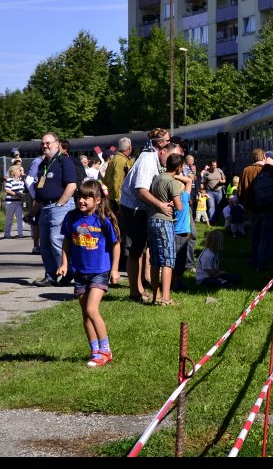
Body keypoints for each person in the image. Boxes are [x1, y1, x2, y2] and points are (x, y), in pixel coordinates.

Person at [56, 179, 121, 368]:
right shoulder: (71, 217)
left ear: (98, 200)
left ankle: (106, 351)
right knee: (86, 313)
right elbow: (67, 241)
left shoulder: (104, 219)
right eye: (80, 197)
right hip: (79, 271)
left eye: (87, 198)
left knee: (92, 309)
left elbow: (115, 244)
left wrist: (115, 269)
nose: (81, 201)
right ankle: (95, 351)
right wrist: (64, 263)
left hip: (100, 271)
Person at [118, 129, 173, 303]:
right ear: (160, 145)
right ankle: (135, 291)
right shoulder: (148, 160)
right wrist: (160, 205)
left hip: (139, 208)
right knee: (135, 250)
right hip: (133, 209)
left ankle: (140, 286)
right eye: (167, 141)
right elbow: (141, 190)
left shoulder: (152, 157)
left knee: (141, 249)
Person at [32, 133, 78, 286]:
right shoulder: (43, 165)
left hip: (60, 208)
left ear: (57, 144)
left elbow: (72, 185)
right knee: (45, 244)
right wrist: (32, 212)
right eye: (43, 143)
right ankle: (50, 276)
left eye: (48, 143)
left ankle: (68, 270)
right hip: (45, 208)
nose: (45, 145)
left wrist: (60, 204)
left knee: (56, 240)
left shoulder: (64, 162)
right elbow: (39, 192)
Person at [148, 152, 185, 306]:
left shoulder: (157, 178)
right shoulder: (172, 182)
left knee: (155, 260)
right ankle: (166, 298)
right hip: (164, 221)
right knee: (168, 261)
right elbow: (179, 206)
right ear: (178, 167)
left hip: (152, 219)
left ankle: (156, 296)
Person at [171, 167, 194, 292]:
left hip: (175, 231)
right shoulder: (184, 198)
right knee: (180, 258)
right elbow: (189, 181)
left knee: (174, 257)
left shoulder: (171, 200)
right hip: (181, 232)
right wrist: (174, 176)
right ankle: (177, 281)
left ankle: (173, 280)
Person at [24, 155, 44, 254]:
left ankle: (43, 246)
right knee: (36, 222)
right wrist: (36, 196)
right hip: (39, 194)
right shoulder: (38, 162)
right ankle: (36, 246)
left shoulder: (50, 162)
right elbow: (30, 180)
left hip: (45, 194)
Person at [2, 164, 26, 239]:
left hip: (19, 202)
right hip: (10, 202)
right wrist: (16, 194)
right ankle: (7, 233)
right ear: (15, 172)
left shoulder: (21, 181)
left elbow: (23, 189)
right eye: (19, 171)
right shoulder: (10, 180)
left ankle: (20, 233)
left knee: (20, 218)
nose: (20, 172)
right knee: (9, 218)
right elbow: (7, 190)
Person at [202, 160, 226, 226]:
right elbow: (203, 182)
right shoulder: (206, 173)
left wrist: (222, 181)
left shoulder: (219, 171)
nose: (214, 167)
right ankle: (212, 221)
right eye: (213, 165)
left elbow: (224, 180)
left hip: (219, 191)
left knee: (219, 205)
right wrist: (203, 190)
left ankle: (220, 220)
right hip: (210, 192)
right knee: (211, 206)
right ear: (210, 166)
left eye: (215, 165)